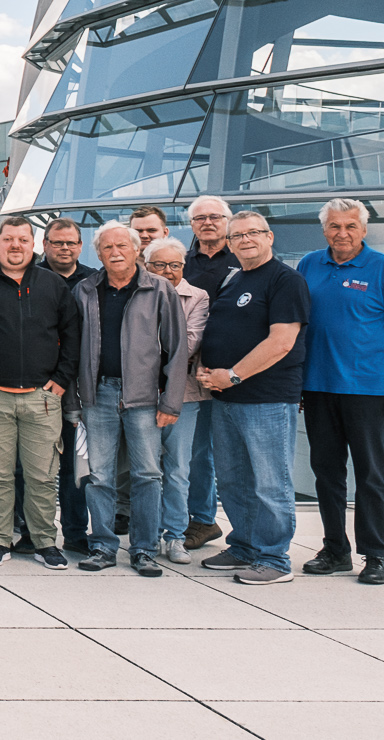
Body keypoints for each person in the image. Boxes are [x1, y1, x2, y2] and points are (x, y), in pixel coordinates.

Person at [0, 215, 79, 570]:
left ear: (33, 244)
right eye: (8, 239)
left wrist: (61, 381)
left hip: (43, 398)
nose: (15, 246)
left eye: (23, 239)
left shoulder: (53, 285)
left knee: (42, 475)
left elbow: (72, 336)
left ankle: (44, 542)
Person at [296, 198, 384, 586]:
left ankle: (376, 554)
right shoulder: (309, 265)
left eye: (349, 226)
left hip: (368, 390)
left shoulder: (383, 268)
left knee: (370, 475)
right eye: (334, 226)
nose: (341, 233)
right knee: (326, 475)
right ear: (324, 229)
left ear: (363, 230)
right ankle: (335, 550)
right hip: (316, 387)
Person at [196, 209, 309, 584]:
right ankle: (244, 546)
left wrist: (233, 374)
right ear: (229, 244)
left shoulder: (285, 280)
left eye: (253, 233)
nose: (245, 240)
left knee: (270, 481)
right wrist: (208, 370)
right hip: (227, 398)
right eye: (237, 236)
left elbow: (281, 342)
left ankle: (274, 559)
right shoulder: (233, 279)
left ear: (269, 237)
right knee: (233, 480)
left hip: (267, 399)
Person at [71, 222, 186, 577]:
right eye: (107, 247)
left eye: (122, 245)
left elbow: (177, 348)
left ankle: (144, 549)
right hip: (98, 395)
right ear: (98, 253)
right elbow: (72, 348)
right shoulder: (85, 290)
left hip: (144, 397)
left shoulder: (160, 289)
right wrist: (74, 401)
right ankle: (103, 546)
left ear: (137, 250)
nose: (115, 252)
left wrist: (171, 402)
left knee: (148, 475)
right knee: (100, 475)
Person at [142, 239, 209, 566]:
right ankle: (149, 534)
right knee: (147, 469)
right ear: (146, 265)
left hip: (183, 395)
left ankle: (175, 536)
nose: (168, 272)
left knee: (179, 469)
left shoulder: (198, 297)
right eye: (160, 265)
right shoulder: (136, 292)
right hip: (140, 394)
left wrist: (143, 349)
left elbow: (188, 343)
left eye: (175, 265)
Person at [181, 195, 237, 550]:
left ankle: (245, 531)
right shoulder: (182, 263)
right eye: (200, 218)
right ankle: (202, 519)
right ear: (192, 226)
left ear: (228, 222)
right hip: (193, 373)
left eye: (215, 217)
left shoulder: (245, 261)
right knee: (198, 451)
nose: (208, 223)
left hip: (236, 371)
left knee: (233, 455)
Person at [42, 217, 98, 553]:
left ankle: (76, 532)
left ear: (80, 245)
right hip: (39, 386)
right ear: (45, 244)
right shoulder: (30, 276)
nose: (65, 248)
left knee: (77, 465)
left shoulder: (94, 280)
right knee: (33, 464)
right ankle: (31, 529)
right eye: (57, 242)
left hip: (81, 388)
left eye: (71, 243)